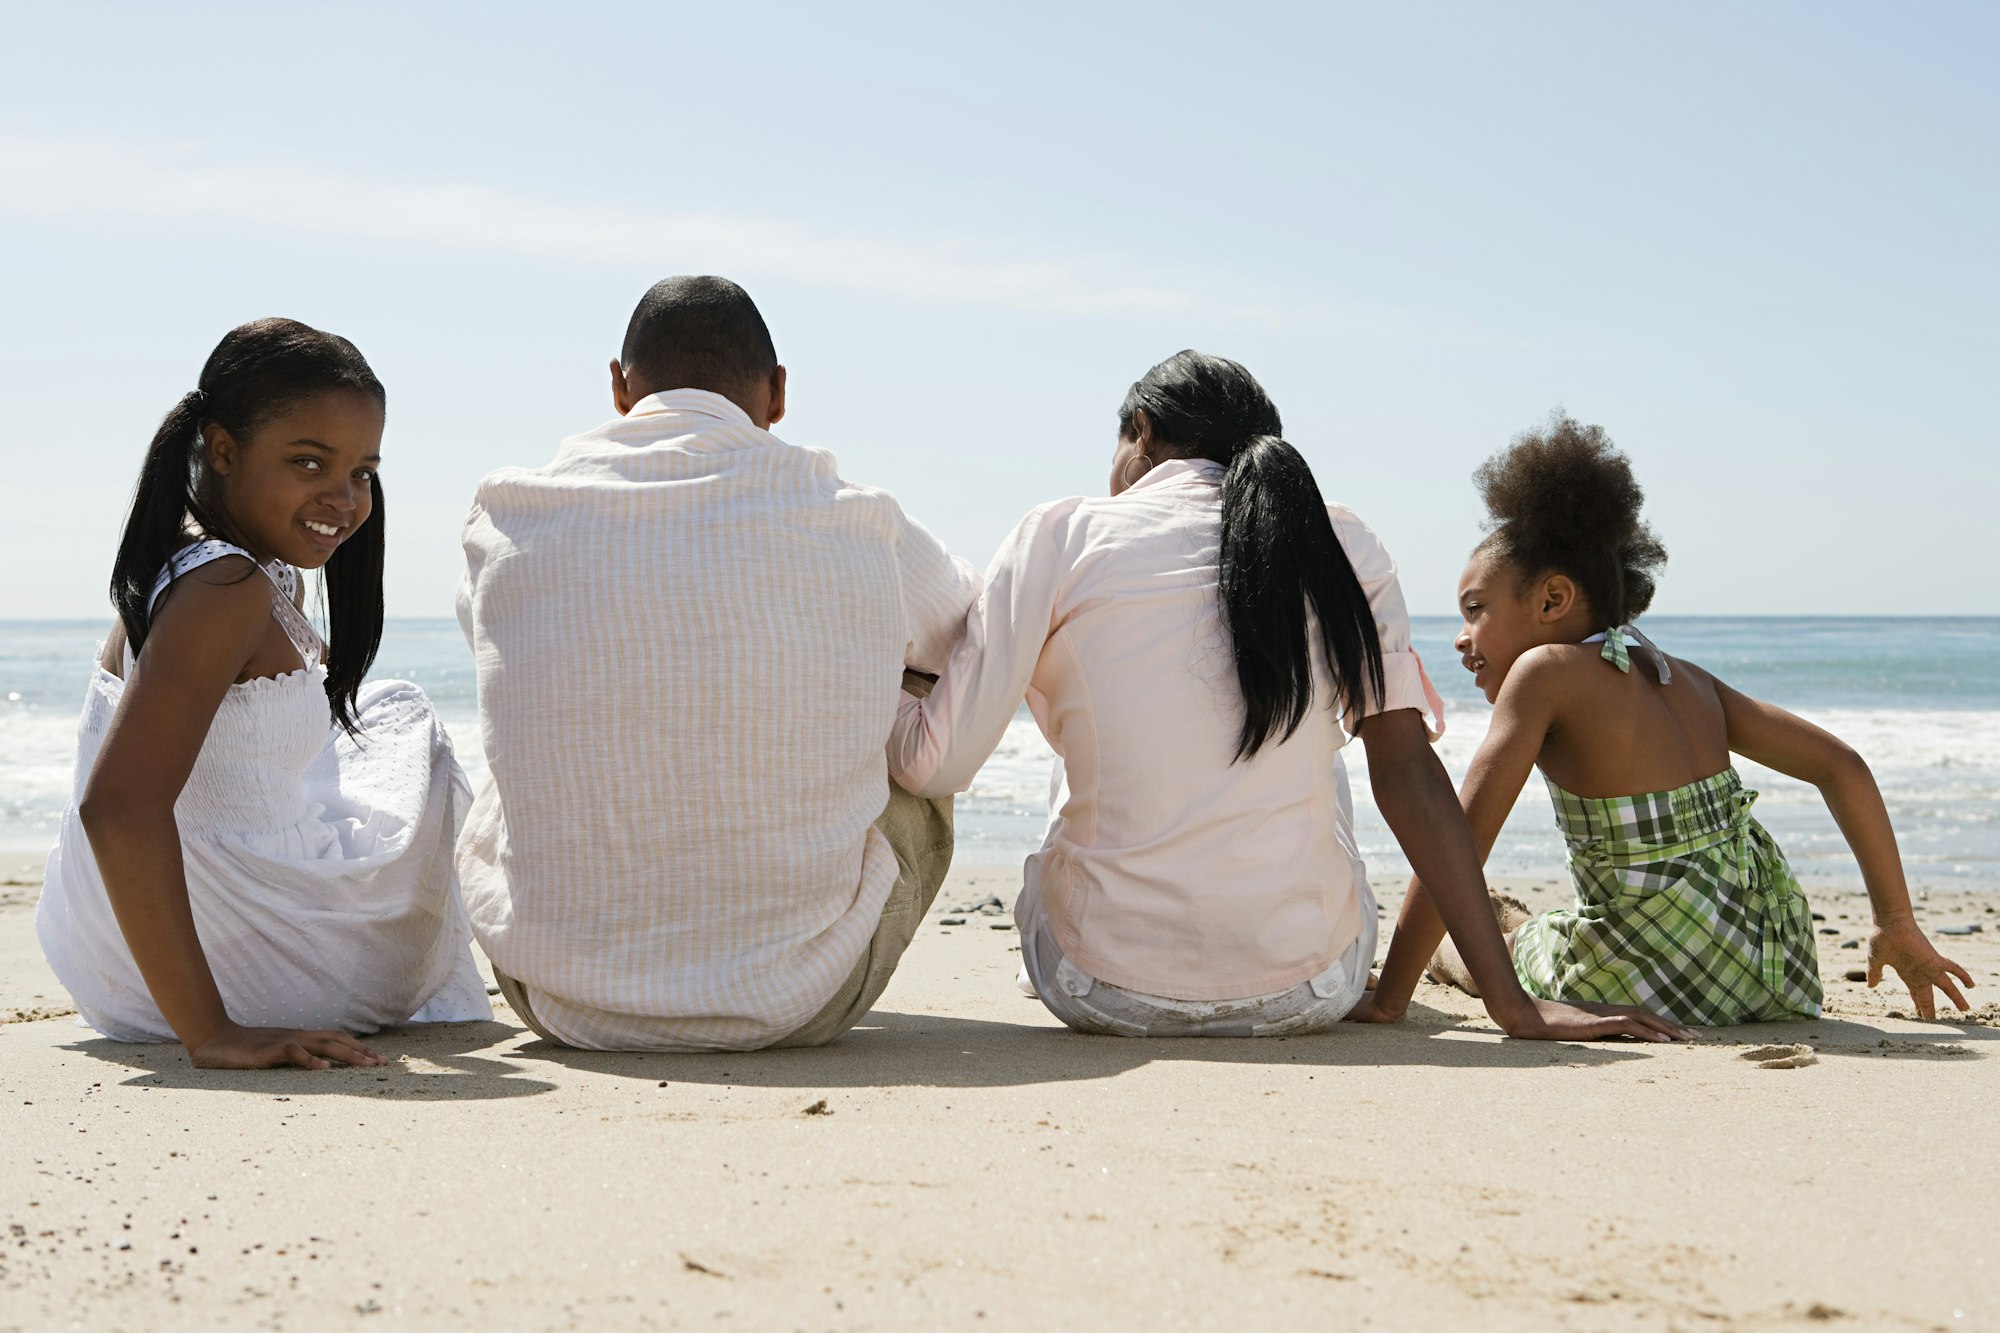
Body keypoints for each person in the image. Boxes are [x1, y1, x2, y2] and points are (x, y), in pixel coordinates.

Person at [888, 352, 1690, 1041]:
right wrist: (1512, 1004)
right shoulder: (1340, 539)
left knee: (1082, 747)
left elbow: (936, 765)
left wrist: (891, 697)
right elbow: (1409, 776)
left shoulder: (1059, 534)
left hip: (1099, 988)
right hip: (1308, 988)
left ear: (1140, 431)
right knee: (1316, 740)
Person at [457, 276, 980, 1051]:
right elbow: (963, 629)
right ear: (776, 394)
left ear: (618, 387)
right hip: (800, 998)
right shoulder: (857, 518)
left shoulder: (508, 511)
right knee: (921, 672)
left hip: (554, 992)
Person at [1354, 412, 1975, 1027]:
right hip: (1775, 969)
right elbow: (1843, 766)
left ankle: (1505, 929)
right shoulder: (1682, 676)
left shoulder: (1543, 672)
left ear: (1552, 600)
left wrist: (1390, 999)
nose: (1462, 639)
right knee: (1532, 920)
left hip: (1645, 976)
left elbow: (1456, 838)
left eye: (1474, 609)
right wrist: (1895, 922)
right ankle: (1517, 919)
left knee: (1461, 944)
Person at [35, 318, 491, 1069]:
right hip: (229, 972)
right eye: (309, 462)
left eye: (362, 472)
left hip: (115, 960)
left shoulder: (192, 561)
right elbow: (116, 807)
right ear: (221, 449)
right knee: (413, 726)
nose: (343, 498)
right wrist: (211, 1032)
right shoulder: (224, 586)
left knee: (381, 712)